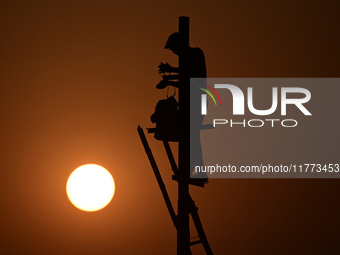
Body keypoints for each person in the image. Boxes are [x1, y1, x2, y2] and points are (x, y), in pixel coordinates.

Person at [157, 32, 208, 180]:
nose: (174, 52)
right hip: (195, 101)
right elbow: (186, 73)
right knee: (189, 135)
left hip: (198, 101)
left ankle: (197, 171)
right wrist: (170, 71)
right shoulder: (192, 57)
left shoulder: (195, 54)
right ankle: (195, 170)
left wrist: (169, 80)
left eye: (174, 49)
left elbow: (187, 79)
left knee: (191, 136)